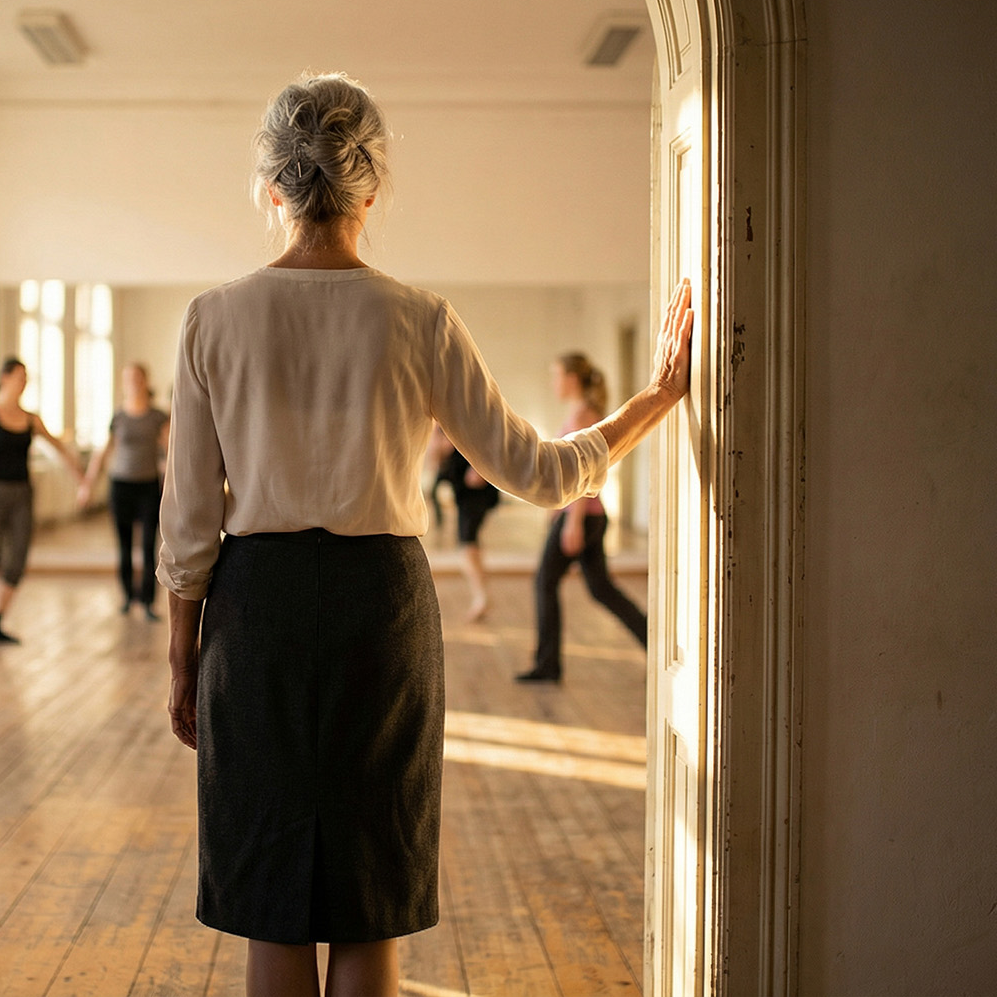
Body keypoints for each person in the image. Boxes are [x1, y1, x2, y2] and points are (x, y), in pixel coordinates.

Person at [157, 72, 693, 997]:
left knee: (271, 902)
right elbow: (541, 472)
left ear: (272, 187)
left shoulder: (214, 319)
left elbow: (188, 522)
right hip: (383, 610)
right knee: (372, 895)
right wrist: (656, 398)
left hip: (257, 613)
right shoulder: (419, 319)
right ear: (370, 188)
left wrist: (181, 658)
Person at [517, 353, 651, 682]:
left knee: (544, 582)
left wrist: (572, 521)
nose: (554, 383)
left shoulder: (582, 415)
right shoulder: (581, 412)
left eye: (557, 375)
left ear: (573, 378)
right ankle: (654, 643)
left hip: (582, 516)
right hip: (588, 515)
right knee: (601, 589)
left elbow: (582, 473)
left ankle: (548, 665)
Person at [0, 357, 84, 644]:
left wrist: (81, 480)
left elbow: (59, 448)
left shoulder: (31, 419)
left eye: (26, 377)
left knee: (16, 561)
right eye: (19, 376)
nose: (23, 381)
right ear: (4, 378)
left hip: (22, 495)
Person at [78, 362, 170, 619]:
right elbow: (102, 452)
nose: (133, 382)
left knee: (150, 545)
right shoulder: (118, 417)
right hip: (121, 486)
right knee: (125, 545)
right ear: (123, 383)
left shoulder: (157, 416)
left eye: (137, 377)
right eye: (128, 378)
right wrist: (87, 484)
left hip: (148, 486)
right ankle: (129, 597)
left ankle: (149, 602)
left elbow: (171, 450)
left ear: (145, 380)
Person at [428, 423, 500, 621]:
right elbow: (436, 462)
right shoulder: (439, 427)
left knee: (467, 544)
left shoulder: (462, 421)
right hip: (463, 494)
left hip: (475, 494)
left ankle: (482, 597)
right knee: (469, 545)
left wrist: (480, 469)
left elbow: (487, 442)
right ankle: (482, 595)